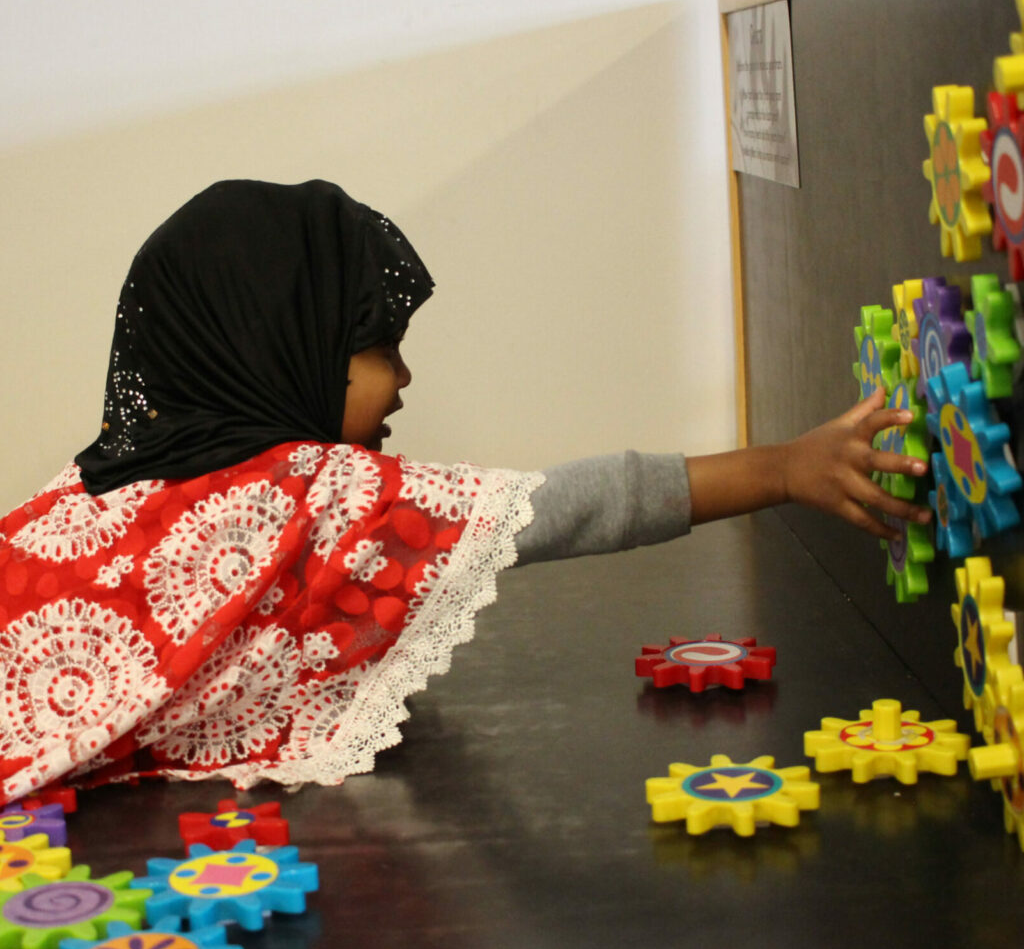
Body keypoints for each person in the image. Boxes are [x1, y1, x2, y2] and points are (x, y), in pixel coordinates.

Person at [0, 180, 929, 804]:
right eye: (379, 347)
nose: (402, 379)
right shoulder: (306, 493)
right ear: (280, 350)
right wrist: (783, 469)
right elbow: (569, 507)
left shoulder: (106, 478)